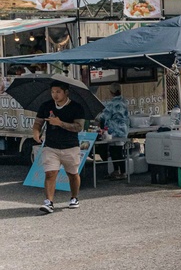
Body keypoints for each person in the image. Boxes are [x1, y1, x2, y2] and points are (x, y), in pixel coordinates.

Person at [33, 82, 85, 214]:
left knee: (73, 174)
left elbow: (79, 127)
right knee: (50, 173)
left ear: (66, 92)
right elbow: (38, 122)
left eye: (58, 92)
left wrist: (60, 123)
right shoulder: (46, 105)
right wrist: (35, 132)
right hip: (51, 146)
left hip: (70, 146)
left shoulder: (76, 107)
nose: (55, 95)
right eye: (53, 92)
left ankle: (74, 198)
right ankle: (48, 202)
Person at [97, 85, 130, 180]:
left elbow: (104, 116)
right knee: (117, 150)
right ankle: (117, 171)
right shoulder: (124, 102)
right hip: (123, 129)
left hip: (114, 130)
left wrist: (98, 118)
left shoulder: (111, 104)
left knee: (116, 152)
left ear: (111, 92)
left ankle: (122, 172)